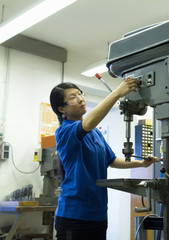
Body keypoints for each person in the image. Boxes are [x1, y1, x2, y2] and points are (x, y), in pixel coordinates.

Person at [49, 79, 158, 240]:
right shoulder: (64, 132)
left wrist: (142, 163)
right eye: (72, 97)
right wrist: (116, 94)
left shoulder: (95, 133)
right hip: (74, 215)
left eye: (80, 94)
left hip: (98, 214)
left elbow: (112, 160)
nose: (80, 99)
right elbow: (87, 123)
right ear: (61, 108)